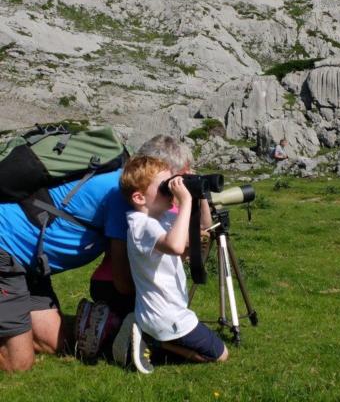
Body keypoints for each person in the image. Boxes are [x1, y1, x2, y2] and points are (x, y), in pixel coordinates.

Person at [0, 168, 129, 372]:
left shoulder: (125, 185)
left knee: (56, 345)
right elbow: (122, 283)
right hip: (7, 248)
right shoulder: (121, 193)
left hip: (32, 264)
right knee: (17, 364)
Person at [119, 155, 228, 373]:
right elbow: (177, 246)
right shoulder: (141, 225)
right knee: (221, 355)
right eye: (163, 187)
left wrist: (199, 194)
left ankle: (149, 335)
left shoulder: (161, 218)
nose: (171, 190)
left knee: (214, 350)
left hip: (165, 312)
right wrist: (185, 201)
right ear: (140, 198)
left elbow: (203, 229)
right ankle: (153, 342)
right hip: (166, 316)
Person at [89, 135, 194, 319]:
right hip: (118, 286)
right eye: (179, 175)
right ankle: (105, 323)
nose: (179, 183)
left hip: (149, 287)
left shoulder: (163, 204)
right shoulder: (126, 202)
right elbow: (121, 278)